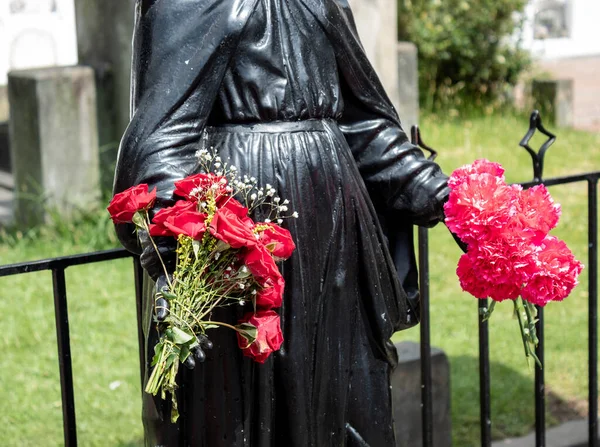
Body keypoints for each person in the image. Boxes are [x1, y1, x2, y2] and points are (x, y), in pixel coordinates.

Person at [112, 0, 450, 445]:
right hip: (244, 244)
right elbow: (161, 140)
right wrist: (182, 261)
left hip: (332, 235)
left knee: (347, 404)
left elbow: (362, 124)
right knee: (254, 418)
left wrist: (452, 200)